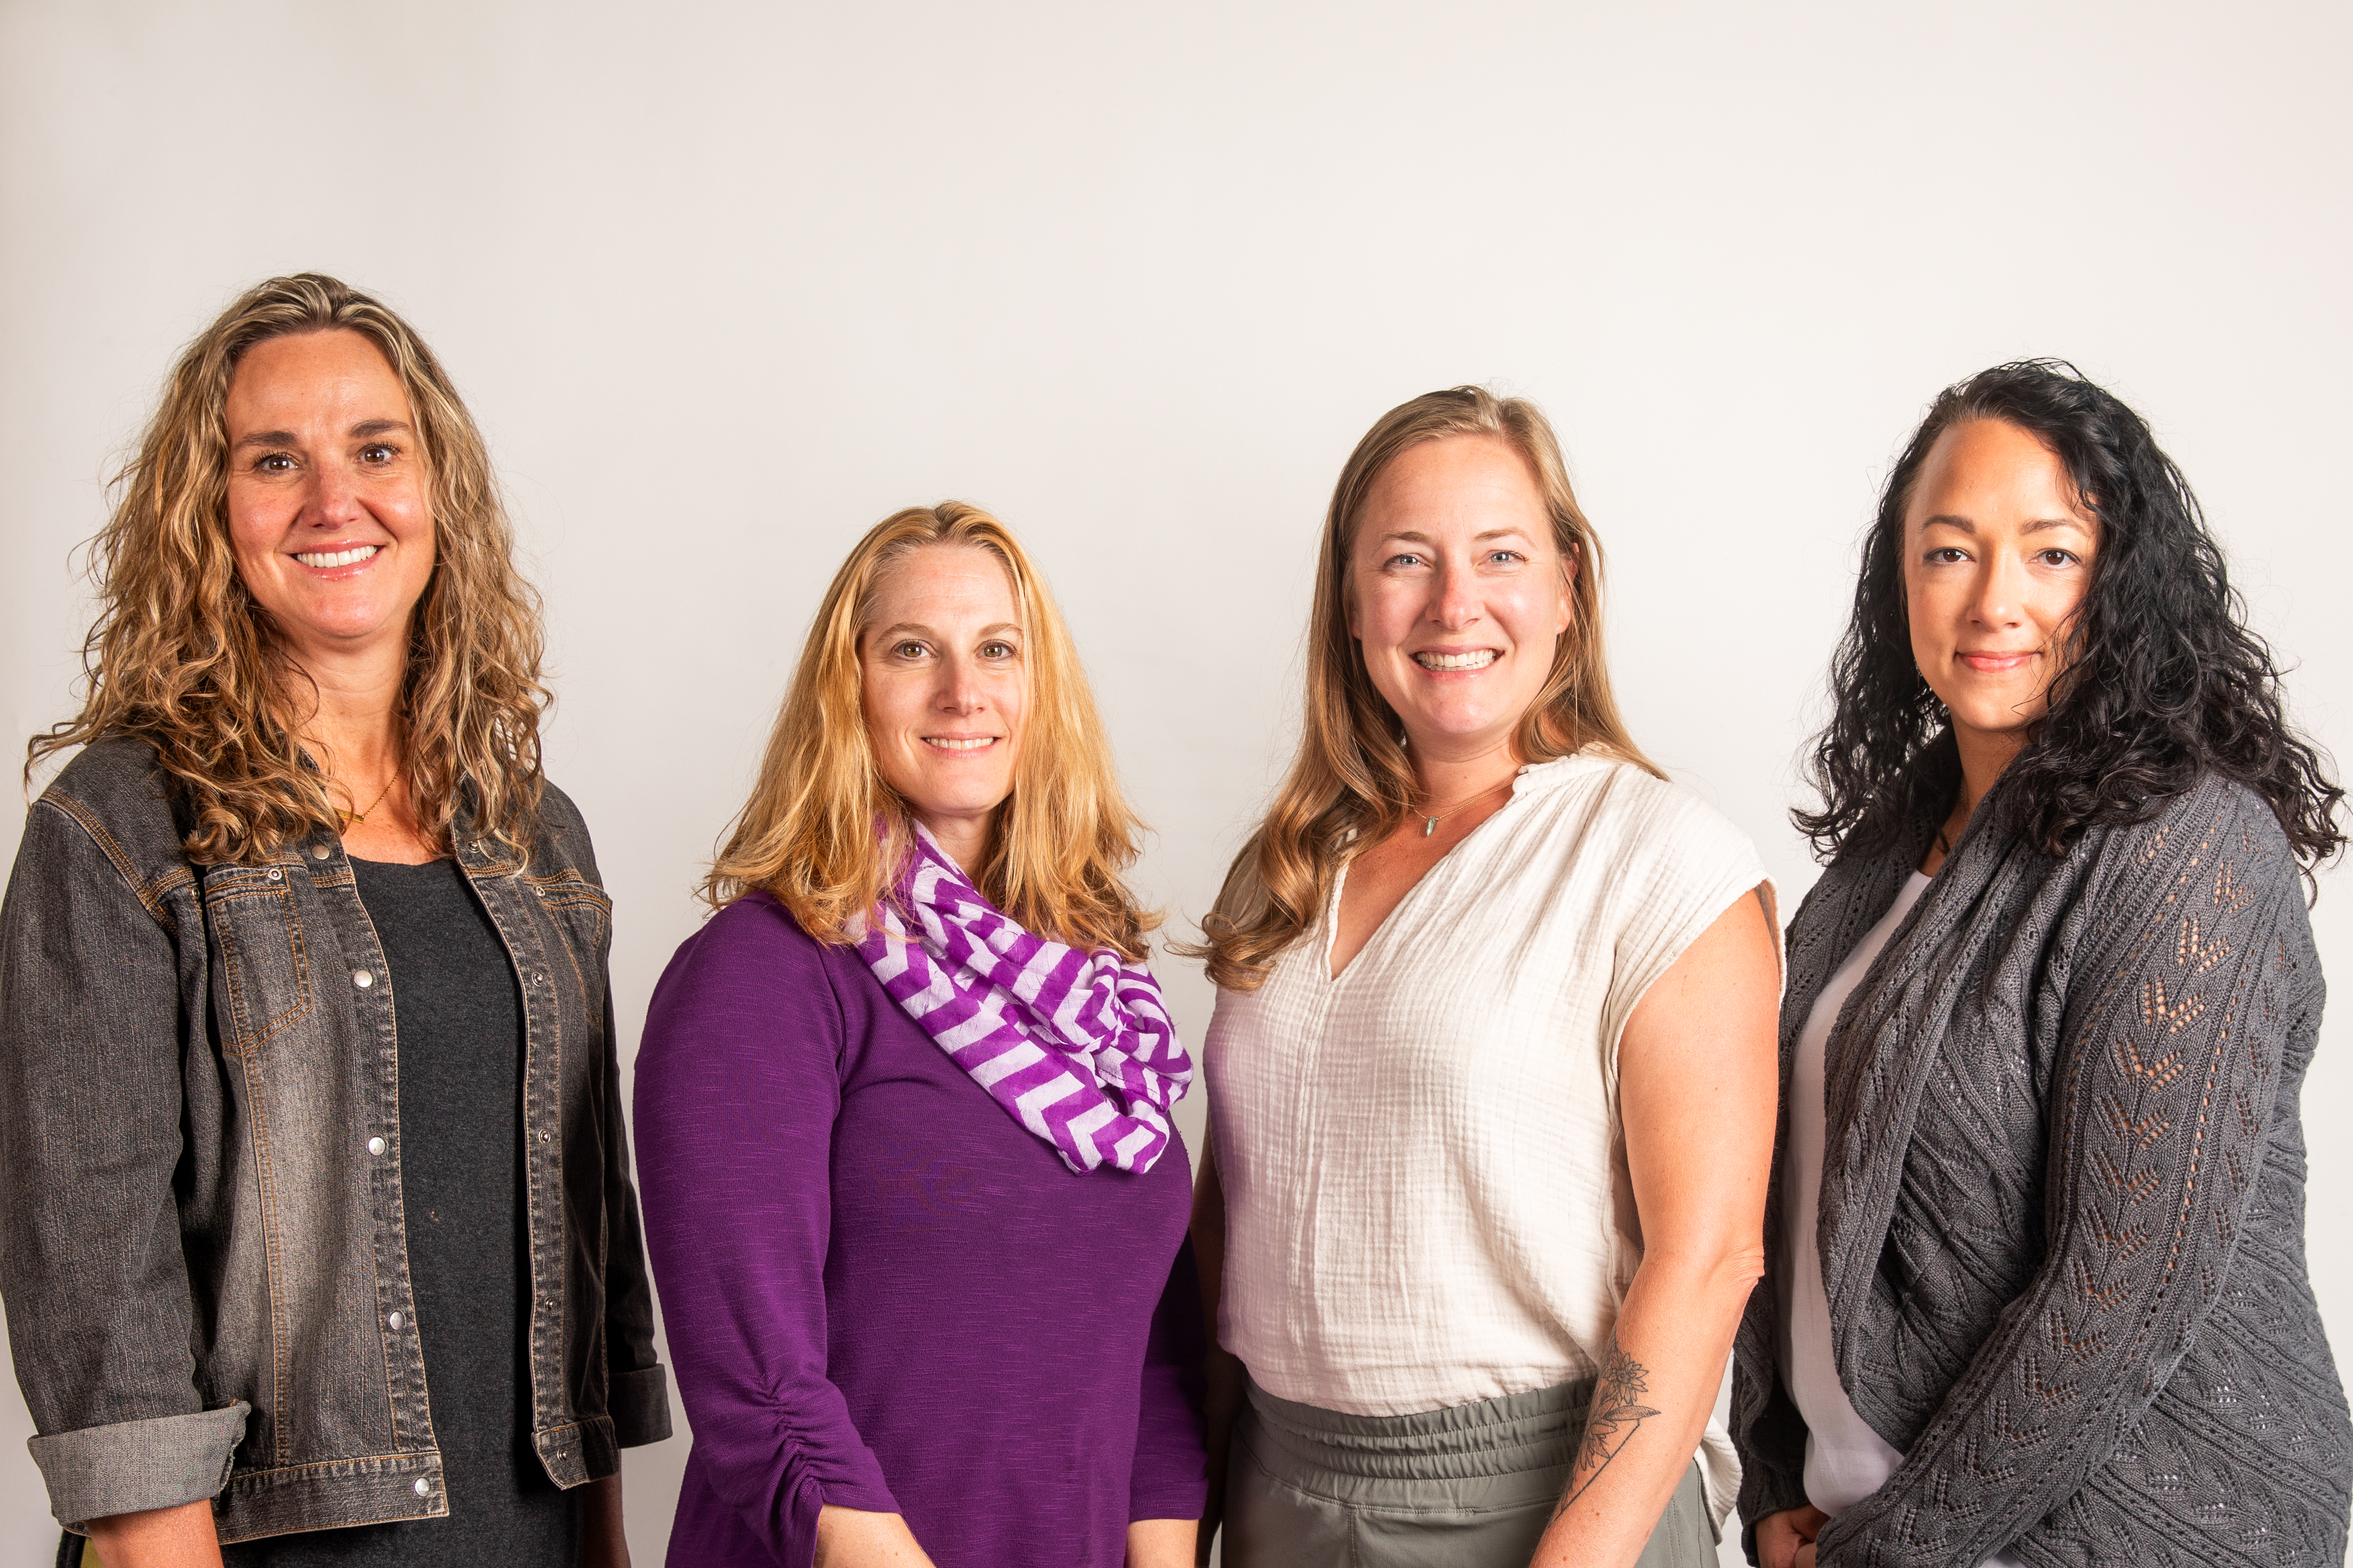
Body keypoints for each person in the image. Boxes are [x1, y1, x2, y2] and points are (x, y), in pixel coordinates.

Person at [0, 274, 670, 1568]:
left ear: (439, 494)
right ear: (210, 514)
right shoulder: (119, 835)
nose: (334, 499)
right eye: (273, 460)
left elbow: (590, 1234)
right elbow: (99, 1303)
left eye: (376, 449)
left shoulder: (540, 836)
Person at [1733, 360, 2352, 1567]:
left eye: (2052, 554)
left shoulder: (2188, 850)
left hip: (2120, 1535)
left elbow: (2120, 1289)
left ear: (2119, 582)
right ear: (1897, 577)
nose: (1993, 602)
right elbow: (1791, 1181)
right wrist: (1770, 1478)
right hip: (1863, 1525)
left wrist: (1889, 1550)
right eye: (1950, 551)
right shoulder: (1886, 853)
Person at [1191, 386, 1782, 1567]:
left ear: (1567, 586)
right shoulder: (1289, 869)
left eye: (1500, 555)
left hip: (1546, 1504)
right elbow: (1230, 1212)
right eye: (1406, 560)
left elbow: (1707, 1259)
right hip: (1279, 1494)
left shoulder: (1661, 858)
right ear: (1353, 606)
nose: (1454, 604)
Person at [632, 503, 1206, 1568]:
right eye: (911, 650)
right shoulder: (763, 975)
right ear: (845, 690)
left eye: (997, 649)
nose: (962, 691)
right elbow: (760, 1389)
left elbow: (1152, 1363)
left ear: (1044, 692)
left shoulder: (1100, 1001)